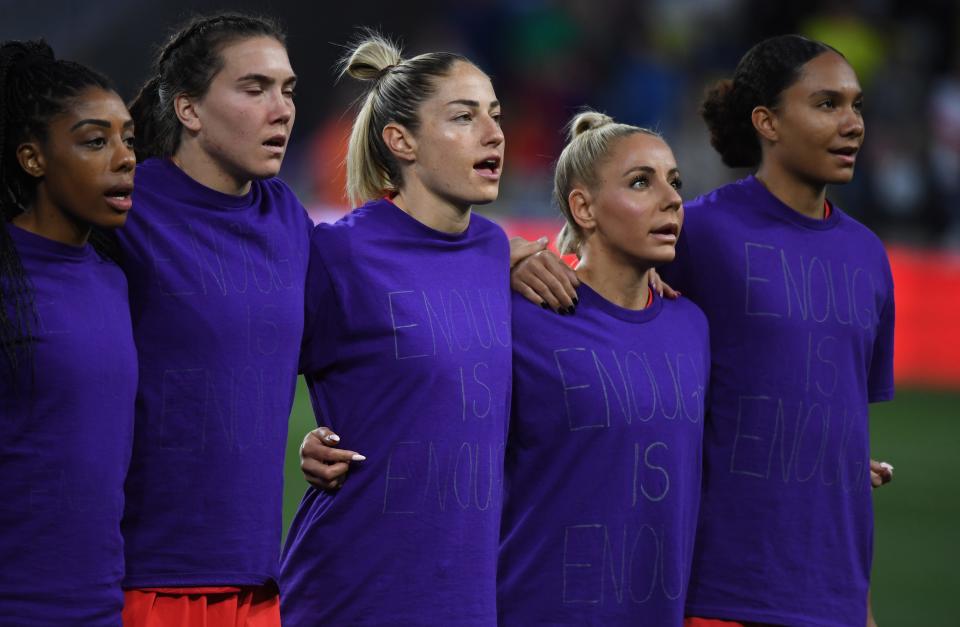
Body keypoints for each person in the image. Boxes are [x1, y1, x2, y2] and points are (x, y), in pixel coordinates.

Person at [511, 35, 895, 626]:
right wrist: (507, 253)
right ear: (766, 120)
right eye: (827, 104)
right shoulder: (699, 231)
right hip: (719, 590)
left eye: (857, 106)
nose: (852, 124)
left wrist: (859, 599)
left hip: (833, 594)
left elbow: (839, 423)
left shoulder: (869, 255)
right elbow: (602, 290)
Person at [279, 34, 511, 626]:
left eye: (495, 115)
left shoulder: (494, 251)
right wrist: (304, 443)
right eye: (464, 117)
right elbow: (249, 371)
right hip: (354, 590)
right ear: (401, 141)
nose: (493, 134)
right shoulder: (337, 252)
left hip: (465, 599)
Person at [118, 13, 311, 625]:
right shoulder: (123, 207)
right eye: (255, 89)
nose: (281, 110)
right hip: (144, 577)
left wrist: (501, 257)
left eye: (288, 90)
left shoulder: (284, 215)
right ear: (189, 111)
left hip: (257, 578)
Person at [498, 110, 709, 626]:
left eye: (674, 182)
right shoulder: (522, 319)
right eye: (642, 182)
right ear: (583, 208)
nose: (672, 199)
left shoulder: (692, 324)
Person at [0, 40, 138, 624]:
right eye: (94, 141)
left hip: (99, 604)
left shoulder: (115, 277)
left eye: (128, 138)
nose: (125, 157)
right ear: (33, 159)